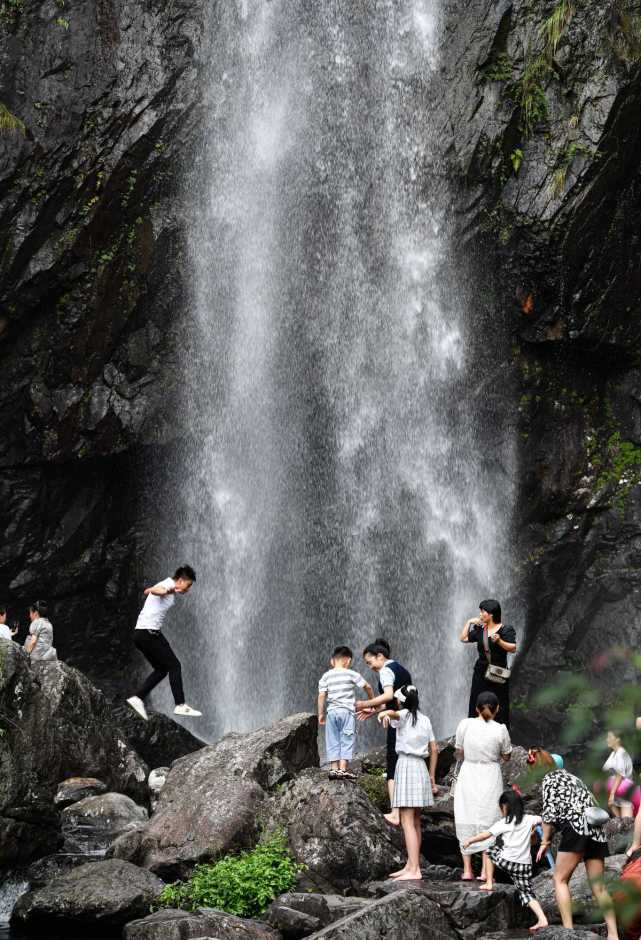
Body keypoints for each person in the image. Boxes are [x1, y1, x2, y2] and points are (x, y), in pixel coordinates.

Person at [533, 748, 620, 940]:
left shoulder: (549, 780)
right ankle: (613, 935)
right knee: (599, 887)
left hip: (576, 829)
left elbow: (548, 816)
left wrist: (545, 841)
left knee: (560, 879)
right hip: (596, 831)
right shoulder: (574, 778)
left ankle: (568, 932)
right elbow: (594, 802)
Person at [463, 789, 548, 932]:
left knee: (489, 850)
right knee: (526, 893)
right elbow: (546, 819)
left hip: (508, 861)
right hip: (525, 865)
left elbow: (486, 835)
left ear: (505, 806)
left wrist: (470, 840)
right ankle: (542, 919)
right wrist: (541, 837)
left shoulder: (504, 822)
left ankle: (489, 882)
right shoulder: (529, 819)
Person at [378, 684, 438, 881]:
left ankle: (414, 870)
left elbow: (392, 714)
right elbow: (434, 749)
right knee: (416, 821)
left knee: (406, 821)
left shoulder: (403, 715)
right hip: (421, 767)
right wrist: (432, 776)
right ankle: (412, 864)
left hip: (406, 766)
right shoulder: (425, 719)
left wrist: (384, 714)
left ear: (400, 701)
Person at [126, 565, 201, 721]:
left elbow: (154, 591)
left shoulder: (169, 587)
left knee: (161, 669)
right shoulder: (168, 585)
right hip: (148, 633)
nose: (187, 590)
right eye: (187, 586)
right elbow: (155, 590)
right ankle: (180, 705)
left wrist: (164, 591)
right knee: (175, 666)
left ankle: (137, 698)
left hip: (143, 634)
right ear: (180, 580)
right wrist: (168, 590)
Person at [454, 691, 512, 882]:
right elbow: (506, 755)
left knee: (466, 815)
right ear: (498, 709)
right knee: (490, 820)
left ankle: (467, 870)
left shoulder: (465, 724)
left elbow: (459, 751)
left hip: (469, 773)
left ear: (476, 708)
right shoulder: (500, 729)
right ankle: (487, 873)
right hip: (490, 775)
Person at [356, 640, 412, 825]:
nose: (370, 666)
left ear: (380, 656)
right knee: (405, 761)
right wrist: (374, 710)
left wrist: (364, 704)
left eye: (369, 662)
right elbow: (395, 701)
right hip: (408, 720)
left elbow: (388, 696)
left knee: (392, 763)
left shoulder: (386, 671)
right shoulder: (401, 669)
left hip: (397, 724)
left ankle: (395, 813)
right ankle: (406, 809)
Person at [317, 645, 375, 780]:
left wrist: (321, 713)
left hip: (331, 713)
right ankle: (343, 769)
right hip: (347, 712)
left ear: (332, 661)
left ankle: (333, 769)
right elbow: (368, 686)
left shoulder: (326, 676)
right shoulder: (351, 673)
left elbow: (321, 696)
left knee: (332, 739)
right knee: (347, 739)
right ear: (348, 661)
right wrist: (372, 702)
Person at [459, 599, 516, 728]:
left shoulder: (505, 629)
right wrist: (469, 622)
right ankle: (474, 729)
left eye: (482, 612)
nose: (480, 614)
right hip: (480, 672)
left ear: (491, 614)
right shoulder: (481, 630)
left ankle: (499, 731)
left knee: (498, 701)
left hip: (497, 671)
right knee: (477, 699)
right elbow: (463, 638)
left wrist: (500, 641)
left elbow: (513, 648)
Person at [601, 731, 639, 818]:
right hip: (618, 792)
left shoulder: (621, 753)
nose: (607, 740)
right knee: (621, 822)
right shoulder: (614, 753)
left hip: (624, 791)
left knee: (626, 821)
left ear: (618, 739)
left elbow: (620, 775)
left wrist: (612, 794)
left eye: (610, 737)